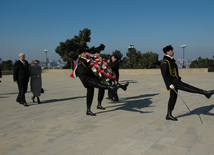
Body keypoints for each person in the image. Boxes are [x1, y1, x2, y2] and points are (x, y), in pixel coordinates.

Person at [160, 45, 214, 121]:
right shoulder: (165, 62)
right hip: (173, 82)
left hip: (175, 80)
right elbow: (164, 75)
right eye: (171, 50)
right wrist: (169, 84)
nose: (173, 51)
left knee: (173, 97)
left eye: (172, 50)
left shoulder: (171, 60)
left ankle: (168, 114)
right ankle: (205, 92)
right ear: (167, 52)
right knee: (188, 87)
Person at [77, 49, 118, 116]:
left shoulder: (90, 59)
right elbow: (83, 71)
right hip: (86, 79)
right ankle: (109, 87)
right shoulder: (81, 61)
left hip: (91, 77)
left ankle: (89, 109)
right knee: (97, 85)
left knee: (91, 92)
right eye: (84, 52)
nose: (85, 53)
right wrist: (93, 71)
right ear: (81, 54)